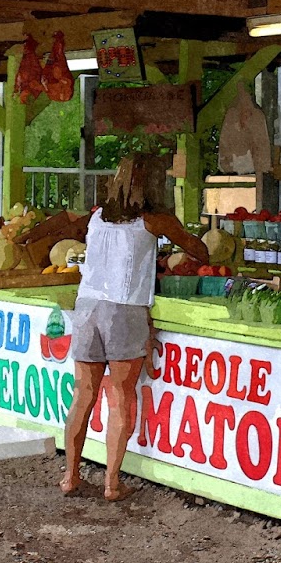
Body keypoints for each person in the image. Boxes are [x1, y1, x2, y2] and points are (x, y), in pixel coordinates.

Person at [59, 153, 208, 501]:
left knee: (83, 396)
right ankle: (112, 483)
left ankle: (70, 476)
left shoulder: (96, 216)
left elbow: (66, 224)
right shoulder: (154, 221)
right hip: (124, 310)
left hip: (86, 306)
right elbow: (201, 252)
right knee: (120, 397)